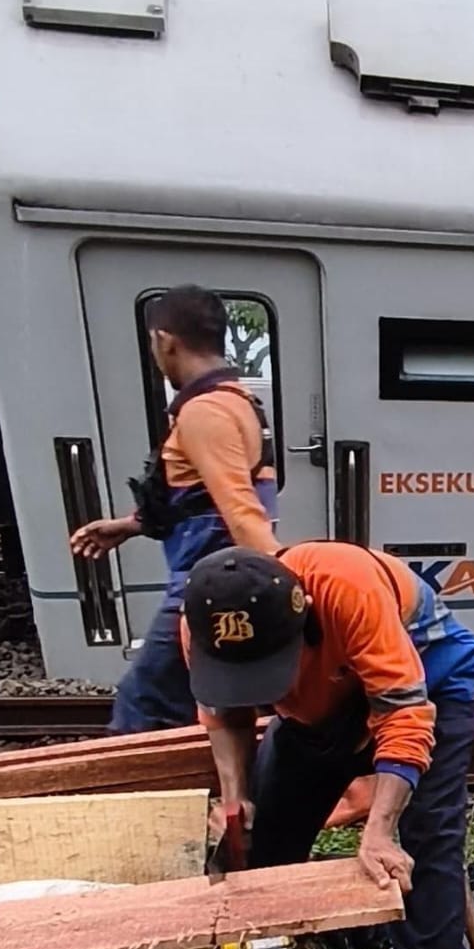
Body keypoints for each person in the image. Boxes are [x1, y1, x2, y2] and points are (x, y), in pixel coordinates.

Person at [182, 542, 474, 949]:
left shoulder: (345, 586)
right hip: (321, 700)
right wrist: (236, 800)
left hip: (428, 679)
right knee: (262, 841)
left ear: (302, 624)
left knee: (420, 848)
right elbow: (225, 715)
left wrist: (381, 829)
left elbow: (404, 713)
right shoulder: (203, 624)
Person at [70, 285, 280, 732]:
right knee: (215, 704)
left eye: (153, 344)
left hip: (210, 585)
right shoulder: (239, 401)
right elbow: (203, 500)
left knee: (144, 703)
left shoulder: (205, 412)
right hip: (221, 578)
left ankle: (140, 795)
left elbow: (239, 511)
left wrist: (286, 583)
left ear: (165, 339)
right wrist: (132, 525)